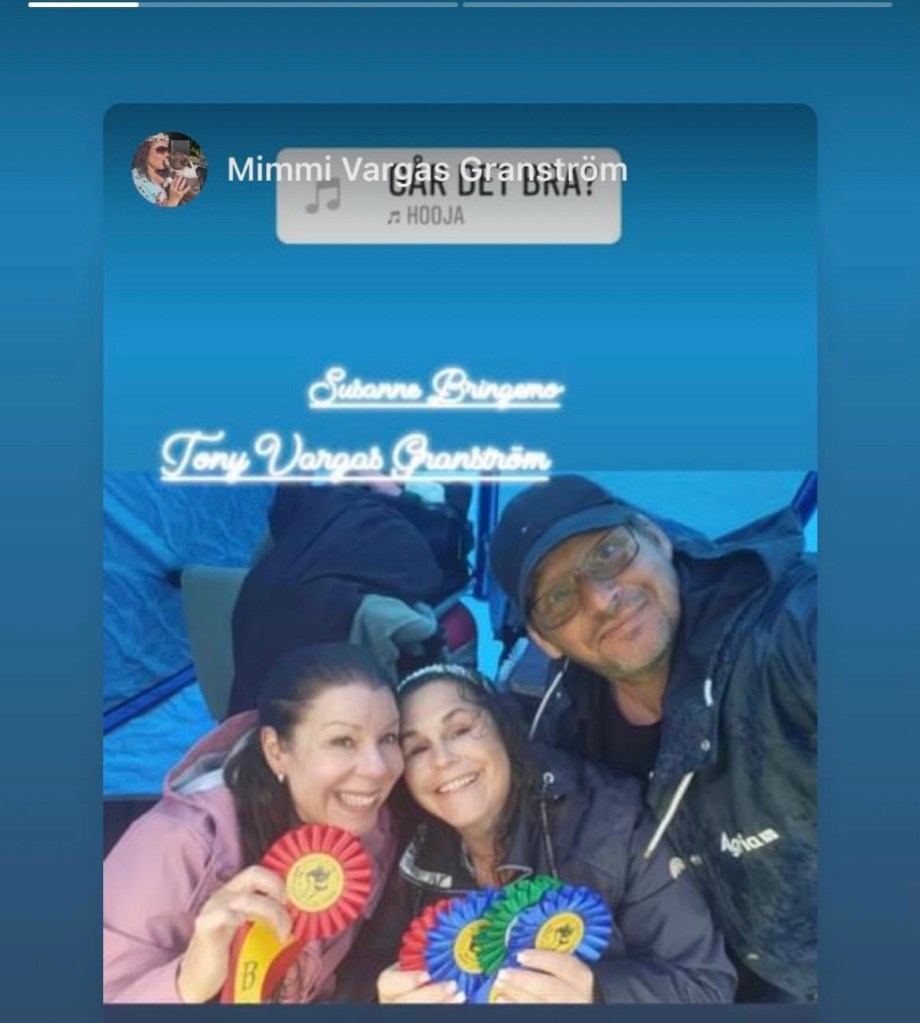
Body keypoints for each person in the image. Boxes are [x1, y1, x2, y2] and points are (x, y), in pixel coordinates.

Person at [488, 475, 817, 1002]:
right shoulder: (556, 730)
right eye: (558, 597)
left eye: (609, 552)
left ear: (656, 537)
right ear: (544, 641)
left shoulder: (785, 634)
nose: (602, 599)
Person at [337, 664, 736, 1005]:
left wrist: (597, 993)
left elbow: (706, 985)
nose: (443, 760)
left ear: (504, 729)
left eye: (460, 729)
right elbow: (356, 970)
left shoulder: (611, 821)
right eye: (417, 749)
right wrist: (382, 994)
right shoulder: (413, 847)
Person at [103, 643, 403, 1003]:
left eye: (388, 738)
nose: (377, 768)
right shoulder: (176, 844)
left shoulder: (376, 832)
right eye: (343, 741)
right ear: (276, 750)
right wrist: (186, 983)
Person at [131, 133, 189, 207]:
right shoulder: (136, 182)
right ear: (145, 151)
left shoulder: (168, 171)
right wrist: (173, 200)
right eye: (161, 150)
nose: (167, 155)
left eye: (168, 151)